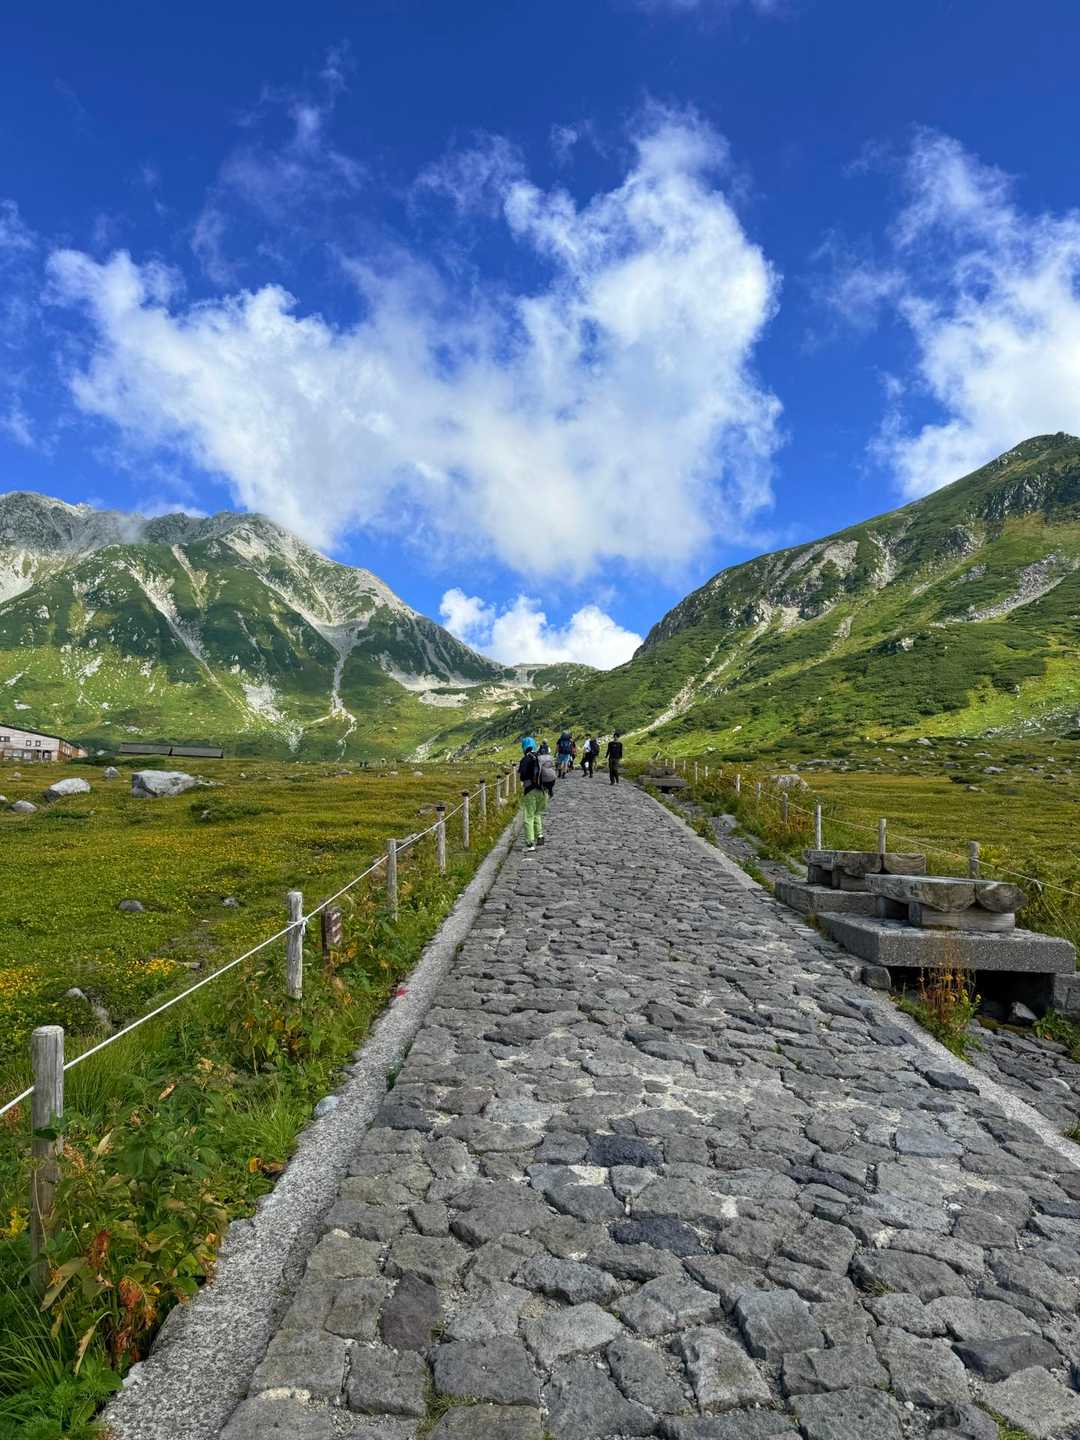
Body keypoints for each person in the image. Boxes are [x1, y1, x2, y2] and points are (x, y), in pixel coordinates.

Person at [518, 736, 548, 852]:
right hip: (543, 791)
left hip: (530, 791)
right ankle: (540, 835)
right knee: (537, 813)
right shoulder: (540, 756)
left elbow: (522, 776)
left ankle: (530, 843)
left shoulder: (525, 759)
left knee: (528, 816)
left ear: (524, 747)